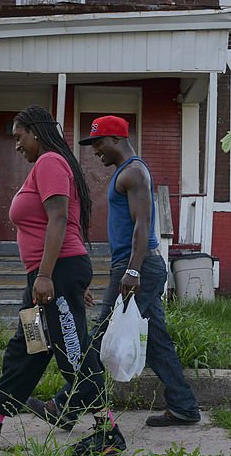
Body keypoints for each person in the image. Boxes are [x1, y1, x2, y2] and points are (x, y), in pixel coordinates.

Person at [0, 105, 125, 456]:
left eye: (18, 137)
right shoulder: (49, 165)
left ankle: (108, 432)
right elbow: (67, 221)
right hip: (51, 276)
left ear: (36, 132)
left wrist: (48, 276)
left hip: (54, 274)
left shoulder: (50, 162)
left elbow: (59, 218)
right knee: (27, 349)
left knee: (73, 353)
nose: (16, 145)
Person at [26, 115, 202, 431]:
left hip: (139, 266)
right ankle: (184, 405)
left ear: (116, 140)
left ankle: (64, 407)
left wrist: (132, 270)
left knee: (98, 338)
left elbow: (143, 224)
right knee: (157, 342)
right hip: (136, 265)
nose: (95, 151)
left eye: (98, 143)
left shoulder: (133, 172)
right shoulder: (127, 172)